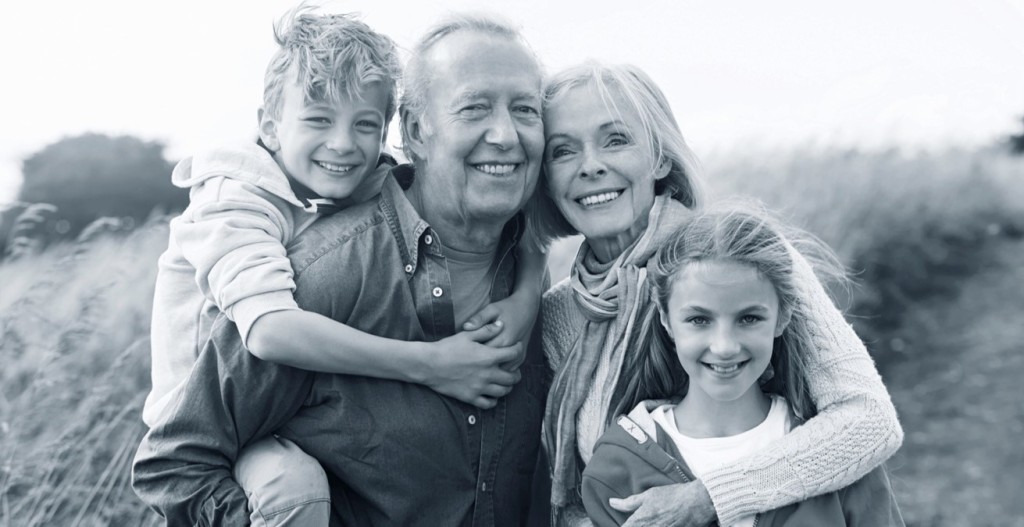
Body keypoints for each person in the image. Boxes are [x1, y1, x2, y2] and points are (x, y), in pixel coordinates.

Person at [133, 12, 550, 526]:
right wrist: (430, 363)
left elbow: (529, 214)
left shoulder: (372, 185)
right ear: (416, 132)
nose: (343, 144)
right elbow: (264, 337)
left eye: (525, 109)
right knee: (293, 494)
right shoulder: (259, 226)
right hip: (207, 400)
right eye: (474, 108)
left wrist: (528, 295)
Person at [531, 62, 904, 526]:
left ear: (661, 158)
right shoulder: (559, 314)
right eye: (563, 151)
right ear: (546, 177)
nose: (590, 166)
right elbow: (575, 493)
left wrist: (707, 498)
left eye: (616, 140)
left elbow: (868, 421)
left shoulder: (739, 259)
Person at [580, 205, 905, 526]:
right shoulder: (617, 469)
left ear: (783, 316)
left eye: (749, 318)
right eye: (699, 319)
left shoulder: (842, 456)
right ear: (665, 319)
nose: (724, 347)